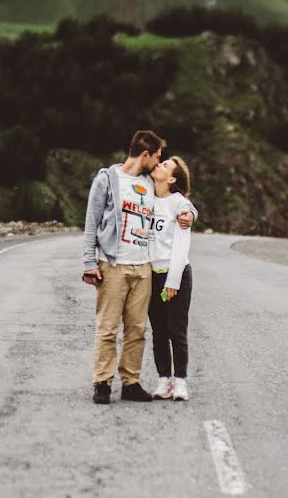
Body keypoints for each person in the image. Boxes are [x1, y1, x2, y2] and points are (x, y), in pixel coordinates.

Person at [82, 130, 196, 405]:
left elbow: (178, 199)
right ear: (145, 155)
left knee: (137, 330)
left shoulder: (150, 181)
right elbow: (91, 222)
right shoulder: (107, 179)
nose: (159, 162)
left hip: (144, 268)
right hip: (113, 265)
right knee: (108, 328)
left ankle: (131, 382)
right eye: (157, 157)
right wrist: (89, 262)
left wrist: (190, 214)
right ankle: (102, 383)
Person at [147, 156, 194, 401]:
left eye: (165, 165)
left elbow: (181, 244)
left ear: (172, 178)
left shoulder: (179, 203)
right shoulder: (146, 195)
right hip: (151, 276)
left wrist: (173, 281)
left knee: (177, 331)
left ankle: (180, 382)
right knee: (158, 331)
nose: (160, 164)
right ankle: (163, 380)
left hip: (175, 275)